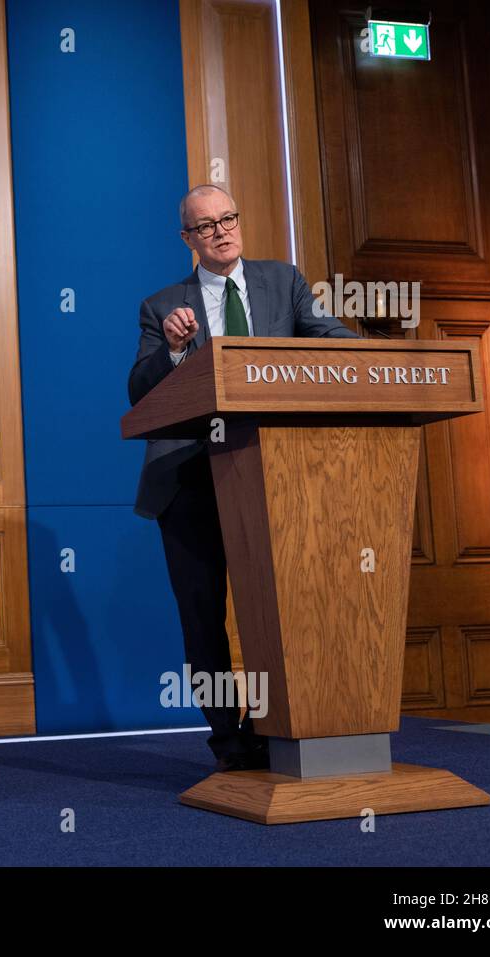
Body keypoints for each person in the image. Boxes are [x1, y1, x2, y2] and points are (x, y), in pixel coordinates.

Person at [127, 184, 357, 772]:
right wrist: (174, 352)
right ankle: (230, 742)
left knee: (279, 608)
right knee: (204, 616)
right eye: (206, 226)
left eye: (228, 217)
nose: (221, 231)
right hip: (192, 480)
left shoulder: (283, 281)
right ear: (188, 240)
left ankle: (281, 726)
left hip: (277, 472)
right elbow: (139, 392)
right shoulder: (162, 306)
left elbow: (328, 337)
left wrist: (376, 358)